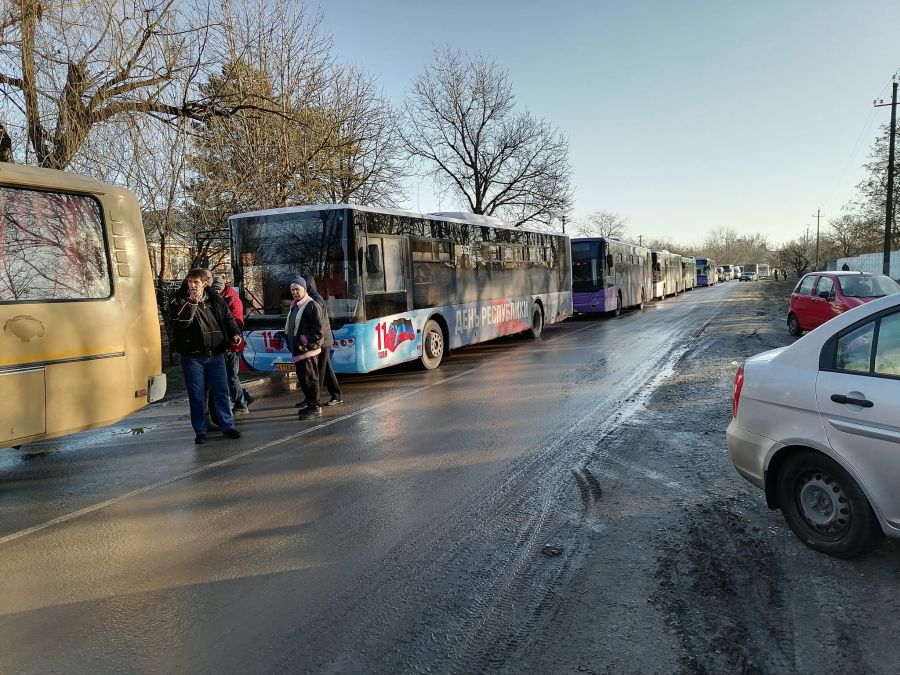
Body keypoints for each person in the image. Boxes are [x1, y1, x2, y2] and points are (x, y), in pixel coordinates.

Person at [169, 268, 243, 444]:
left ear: (204, 283)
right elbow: (179, 324)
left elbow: (228, 318)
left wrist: (234, 333)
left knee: (222, 391)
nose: (193, 286)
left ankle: (227, 425)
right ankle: (200, 430)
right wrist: (191, 304)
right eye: (190, 282)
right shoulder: (179, 300)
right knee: (197, 394)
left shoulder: (214, 299)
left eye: (196, 282)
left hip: (216, 353)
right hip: (193, 356)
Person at [212, 274, 254, 415]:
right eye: (214, 289)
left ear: (223, 288)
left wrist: (231, 342)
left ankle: (241, 404)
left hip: (231, 345)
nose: (215, 292)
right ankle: (243, 399)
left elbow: (236, 323)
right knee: (228, 375)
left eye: (218, 290)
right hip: (224, 344)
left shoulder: (232, 301)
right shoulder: (220, 298)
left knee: (231, 375)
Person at [285, 276, 324, 420]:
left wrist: (306, 340)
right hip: (299, 350)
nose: (294, 292)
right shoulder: (295, 305)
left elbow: (318, 329)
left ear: (305, 289)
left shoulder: (311, 305)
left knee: (310, 379)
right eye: (292, 290)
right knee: (303, 380)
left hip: (307, 350)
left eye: (297, 289)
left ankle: (315, 407)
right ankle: (310, 404)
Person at [304, 274, 343, 406]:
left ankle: (315, 400)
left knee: (319, 370)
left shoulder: (315, 300)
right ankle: (336, 395)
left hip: (322, 340)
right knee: (326, 368)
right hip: (322, 339)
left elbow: (318, 323)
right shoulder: (311, 298)